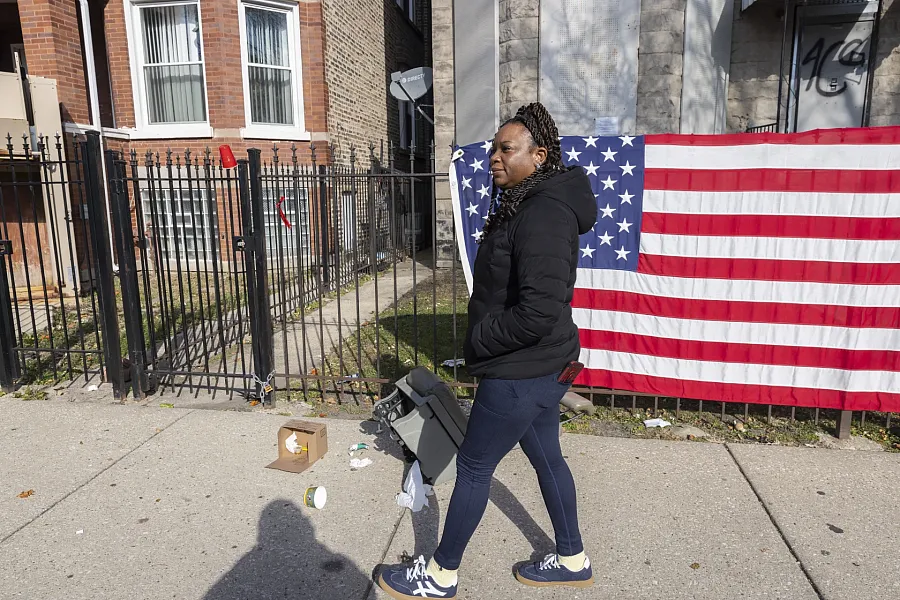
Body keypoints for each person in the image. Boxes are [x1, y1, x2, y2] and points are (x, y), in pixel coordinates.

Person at [377, 102, 598, 599]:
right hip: (544, 368)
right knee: (548, 460)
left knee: (475, 468)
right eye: (494, 148)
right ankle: (572, 557)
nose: (493, 157)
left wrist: (480, 340)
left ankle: (439, 575)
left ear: (538, 156)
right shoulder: (531, 202)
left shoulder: (542, 213)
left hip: (522, 372)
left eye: (506, 149)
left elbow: (539, 311)